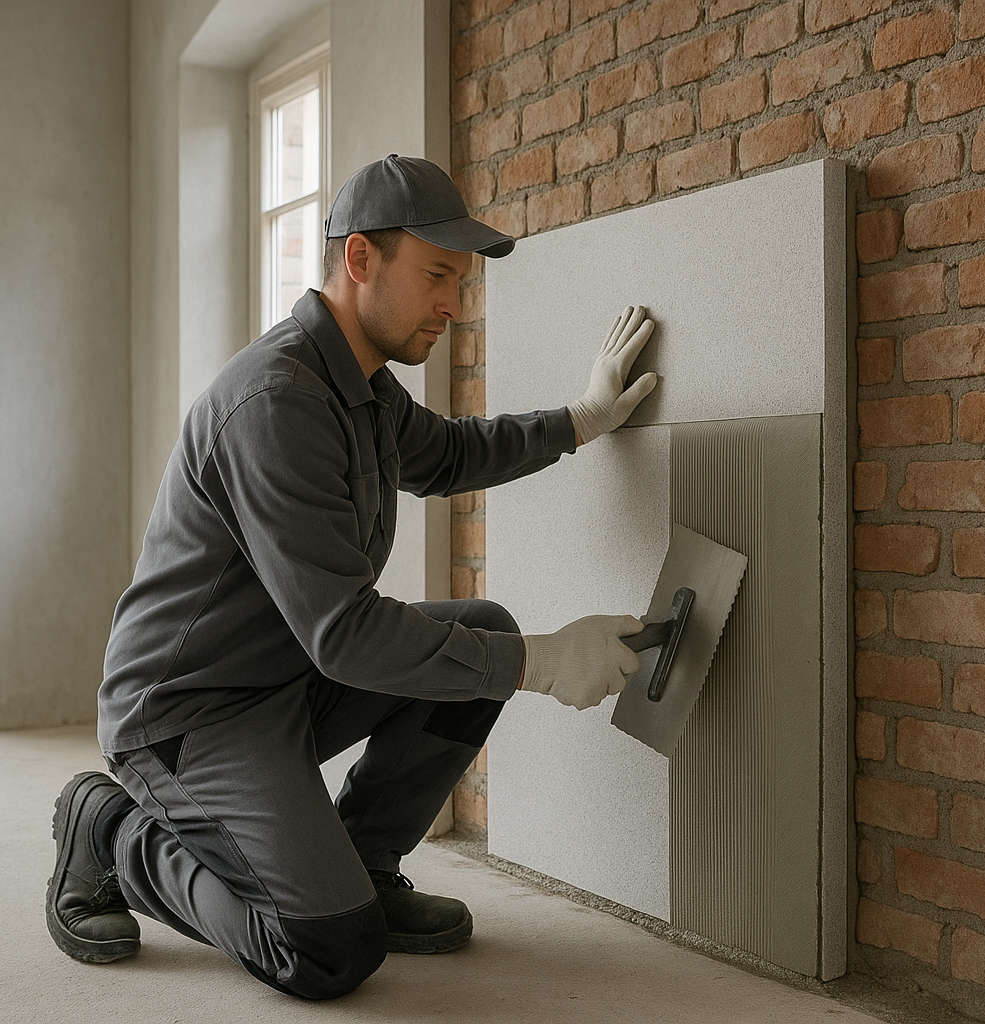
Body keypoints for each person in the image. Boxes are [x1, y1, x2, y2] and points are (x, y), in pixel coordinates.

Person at [45, 154, 659, 1000]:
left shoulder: (361, 385)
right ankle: (110, 829)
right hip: (189, 713)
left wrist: (580, 421)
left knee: (479, 631)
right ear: (360, 259)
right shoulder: (275, 403)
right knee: (326, 951)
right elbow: (345, 634)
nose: (455, 303)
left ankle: (366, 863)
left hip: (285, 681)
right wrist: (543, 663)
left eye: (462, 281)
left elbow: (446, 454)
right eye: (438, 275)